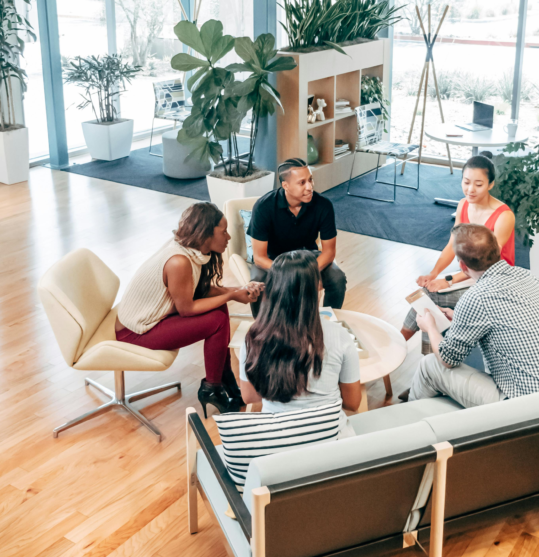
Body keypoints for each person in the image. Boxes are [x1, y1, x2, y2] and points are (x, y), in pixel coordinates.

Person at [404, 223, 539, 408]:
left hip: (532, 407)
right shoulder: (528, 276)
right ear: (498, 249)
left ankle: (412, 421)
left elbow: (447, 360)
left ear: (462, 266)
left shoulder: (477, 297)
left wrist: (430, 327)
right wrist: (458, 317)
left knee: (429, 365)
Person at [115, 202, 264, 416]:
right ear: (205, 234)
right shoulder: (179, 261)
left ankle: (224, 381)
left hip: (153, 319)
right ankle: (212, 389)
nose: (228, 237)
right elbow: (186, 308)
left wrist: (239, 289)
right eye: (223, 232)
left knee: (219, 309)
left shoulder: (192, 251)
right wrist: (231, 295)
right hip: (135, 332)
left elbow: (197, 290)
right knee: (217, 320)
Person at [240, 251, 361, 434]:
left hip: (277, 439)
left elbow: (250, 397)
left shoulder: (254, 336)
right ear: (315, 288)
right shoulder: (339, 335)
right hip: (331, 440)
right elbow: (353, 403)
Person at [402, 153, 515, 350]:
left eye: (478, 184)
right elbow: (452, 245)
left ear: (491, 184)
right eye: (466, 182)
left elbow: (485, 264)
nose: (470, 189)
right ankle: (417, 352)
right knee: (427, 293)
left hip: (493, 282)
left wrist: (448, 281)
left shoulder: (504, 216)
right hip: (471, 275)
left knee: (428, 297)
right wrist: (433, 274)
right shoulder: (463, 204)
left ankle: (400, 346)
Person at [247, 157, 347, 310]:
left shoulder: (323, 205)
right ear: (285, 186)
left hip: (308, 256)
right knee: (257, 284)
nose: (309, 187)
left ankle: (330, 319)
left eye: (310, 179)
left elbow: (329, 252)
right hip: (274, 260)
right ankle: (261, 324)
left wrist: (309, 273)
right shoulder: (263, 207)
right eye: (302, 182)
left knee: (338, 279)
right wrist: (289, 275)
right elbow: (260, 258)